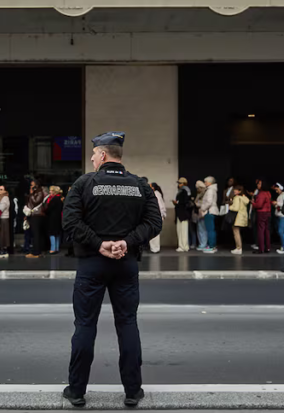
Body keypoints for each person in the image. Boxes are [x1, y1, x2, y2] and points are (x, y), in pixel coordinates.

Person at [61, 131, 162, 408]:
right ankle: (132, 391)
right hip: (126, 263)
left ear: (103, 155)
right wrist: (125, 242)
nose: (92, 159)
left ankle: (77, 390)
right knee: (127, 323)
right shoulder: (140, 185)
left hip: (92, 264)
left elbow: (70, 222)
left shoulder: (84, 184)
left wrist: (100, 244)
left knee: (85, 325)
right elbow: (154, 223)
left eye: (94, 155)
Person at [26, 181, 49, 258]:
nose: (31, 187)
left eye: (32, 185)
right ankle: (35, 250)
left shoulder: (39, 193)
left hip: (37, 215)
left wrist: (31, 194)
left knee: (37, 234)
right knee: (34, 234)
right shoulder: (35, 193)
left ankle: (37, 252)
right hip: (33, 214)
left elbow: (36, 201)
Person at [252, 180, 272, 254]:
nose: (258, 185)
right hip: (268, 213)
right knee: (267, 230)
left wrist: (253, 203)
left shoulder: (261, 194)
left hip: (261, 213)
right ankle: (268, 247)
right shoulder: (268, 193)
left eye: (259, 184)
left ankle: (261, 249)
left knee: (260, 231)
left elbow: (259, 205)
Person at [200, 176, 219, 253]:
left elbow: (209, 202)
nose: (205, 183)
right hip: (211, 211)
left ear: (210, 182)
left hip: (209, 211)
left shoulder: (210, 190)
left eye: (206, 181)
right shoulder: (212, 190)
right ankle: (212, 245)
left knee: (210, 229)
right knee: (211, 229)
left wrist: (203, 209)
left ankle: (212, 246)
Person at [228, 185, 249, 255]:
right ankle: (239, 247)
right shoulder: (244, 198)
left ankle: (238, 248)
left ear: (240, 191)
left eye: (236, 190)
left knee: (236, 232)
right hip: (242, 216)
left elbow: (236, 208)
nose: (234, 191)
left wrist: (229, 207)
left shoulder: (237, 198)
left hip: (237, 217)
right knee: (238, 232)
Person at [173, 178, 192, 252]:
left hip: (182, 213)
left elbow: (184, 202)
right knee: (182, 230)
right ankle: (183, 245)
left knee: (182, 230)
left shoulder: (184, 191)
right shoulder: (185, 191)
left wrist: (177, 203)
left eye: (180, 183)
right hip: (182, 213)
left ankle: (183, 246)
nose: (179, 185)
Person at [46, 186, 67, 255]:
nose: (50, 192)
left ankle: (52, 249)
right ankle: (57, 248)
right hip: (58, 218)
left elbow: (48, 209)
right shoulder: (60, 199)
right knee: (57, 234)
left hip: (52, 219)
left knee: (52, 233)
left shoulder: (53, 199)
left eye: (51, 191)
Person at [0, 185, 12, 258]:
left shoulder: (5, 198)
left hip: (3, 218)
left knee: (3, 235)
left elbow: (1, 208)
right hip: (1, 218)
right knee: (1, 235)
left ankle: (3, 249)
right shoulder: (0, 198)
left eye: (1, 189)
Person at [273, 183, 284, 255]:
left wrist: (277, 203)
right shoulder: (280, 196)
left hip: (283, 216)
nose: (276, 191)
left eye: (277, 189)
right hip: (278, 215)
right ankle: (283, 245)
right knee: (279, 231)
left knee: (281, 231)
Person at [193, 180, 207, 250]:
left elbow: (202, 203)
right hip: (199, 212)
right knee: (200, 228)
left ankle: (203, 244)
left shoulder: (203, 194)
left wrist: (196, 203)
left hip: (202, 212)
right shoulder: (200, 194)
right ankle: (202, 243)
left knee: (202, 229)